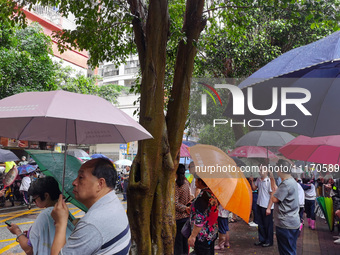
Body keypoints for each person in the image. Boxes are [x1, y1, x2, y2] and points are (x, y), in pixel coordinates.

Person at [51, 158, 131, 255]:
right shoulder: (113, 202)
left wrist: (61, 222)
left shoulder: (92, 223)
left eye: (81, 177)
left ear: (100, 184)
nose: (74, 182)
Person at [7, 176, 74, 255]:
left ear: (46, 196)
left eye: (35, 199)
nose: (34, 202)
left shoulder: (45, 215)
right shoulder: (64, 211)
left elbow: (30, 250)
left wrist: (17, 231)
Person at [271, 160, 300, 255]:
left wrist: (272, 189)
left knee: (286, 252)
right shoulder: (291, 181)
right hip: (292, 222)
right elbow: (278, 192)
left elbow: (274, 199)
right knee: (290, 249)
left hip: (285, 224)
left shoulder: (286, 184)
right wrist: (273, 181)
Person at [188, 177, 218, 255]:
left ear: (201, 181)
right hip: (212, 232)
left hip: (202, 235)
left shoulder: (202, 197)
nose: (195, 182)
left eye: (196, 180)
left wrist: (192, 236)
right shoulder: (211, 193)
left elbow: (199, 219)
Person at [249, 165, 274, 247]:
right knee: (260, 224)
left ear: (267, 170)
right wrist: (252, 181)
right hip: (259, 204)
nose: (260, 171)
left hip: (266, 206)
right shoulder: (259, 180)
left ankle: (268, 241)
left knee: (268, 224)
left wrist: (269, 208)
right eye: (260, 169)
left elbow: (272, 195)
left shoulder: (269, 181)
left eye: (263, 169)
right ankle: (262, 239)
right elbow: (254, 188)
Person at [174, 164, 191, 255]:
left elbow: (175, 203)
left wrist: (185, 208)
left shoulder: (177, 185)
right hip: (186, 217)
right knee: (185, 241)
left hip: (178, 217)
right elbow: (190, 197)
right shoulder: (186, 183)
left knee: (178, 242)